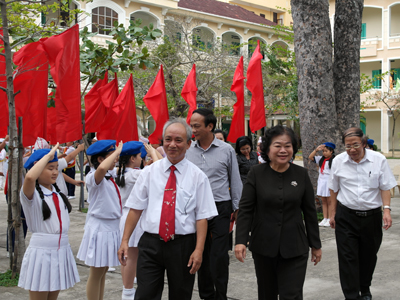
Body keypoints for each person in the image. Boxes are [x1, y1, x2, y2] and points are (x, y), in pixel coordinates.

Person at [118, 118, 218, 300]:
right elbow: (135, 208)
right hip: (150, 244)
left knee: (181, 294)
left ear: (188, 144)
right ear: (162, 142)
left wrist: (199, 250)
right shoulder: (149, 172)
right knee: (145, 294)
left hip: (183, 245)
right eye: (168, 139)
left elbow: (202, 217)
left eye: (178, 140)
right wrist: (125, 240)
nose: (172, 144)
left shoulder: (198, 177)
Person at [235, 125, 322, 300]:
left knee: (292, 294)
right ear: (267, 148)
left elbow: (310, 213)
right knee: (267, 293)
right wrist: (240, 240)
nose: (283, 150)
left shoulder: (301, 174)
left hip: (295, 246)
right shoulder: (256, 173)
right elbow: (246, 209)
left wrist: (316, 244)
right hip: (263, 245)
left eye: (288, 146)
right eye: (278, 145)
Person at [329, 127, 396, 300]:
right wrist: (332, 213)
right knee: (347, 258)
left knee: (368, 256)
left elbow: (385, 187)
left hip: (371, 217)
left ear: (364, 143)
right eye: (347, 146)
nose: (352, 150)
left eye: (355, 145)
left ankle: (364, 289)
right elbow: (333, 189)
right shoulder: (338, 161)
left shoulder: (378, 160)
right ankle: (351, 295)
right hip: (346, 216)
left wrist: (387, 210)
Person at [186, 108, 242, 300]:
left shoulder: (226, 150)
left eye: (197, 126)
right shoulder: (188, 151)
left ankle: (221, 295)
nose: (193, 130)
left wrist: (237, 207)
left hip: (220, 207)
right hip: (195, 209)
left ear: (210, 126)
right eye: (191, 125)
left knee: (219, 256)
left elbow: (234, 180)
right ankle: (206, 295)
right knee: (200, 253)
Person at [18, 146, 80, 299]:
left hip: (61, 250)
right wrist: (48, 155)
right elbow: (30, 178)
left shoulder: (56, 192)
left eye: (56, 168)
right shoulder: (31, 195)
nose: (54, 172)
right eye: (50, 168)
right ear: (37, 168)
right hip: (42, 253)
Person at [77, 140, 123, 300]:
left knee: (103, 271)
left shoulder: (110, 177)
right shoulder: (93, 177)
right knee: (96, 273)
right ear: (100, 159)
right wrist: (117, 152)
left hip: (111, 228)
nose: (116, 159)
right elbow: (102, 168)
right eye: (111, 156)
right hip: (100, 229)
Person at [116, 141, 160, 300]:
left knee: (130, 257)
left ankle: (127, 289)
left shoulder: (121, 172)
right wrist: (153, 152)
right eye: (140, 157)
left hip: (127, 215)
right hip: (135, 216)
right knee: (132, 257)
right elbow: (159, 167)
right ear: (133, 159)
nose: (142, 159)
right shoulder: (135, 174)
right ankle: (127, 292)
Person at [308, 142, 336, 227]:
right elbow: (310, 157)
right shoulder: (321, 159)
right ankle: (325, 218)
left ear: (331, 151)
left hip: (329, 180)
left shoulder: (334, 160)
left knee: (330, 201)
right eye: (323, 151)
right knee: (324, 201)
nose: (324, 153)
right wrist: (316, 150)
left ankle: (331, 217)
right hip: (321, 180)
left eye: (326, 151)